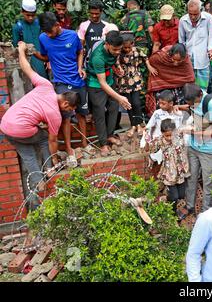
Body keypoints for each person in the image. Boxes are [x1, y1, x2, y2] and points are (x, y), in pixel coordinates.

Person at [0, 42, 78, 201]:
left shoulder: (46, 85)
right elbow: (52, 141)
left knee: (28, 154)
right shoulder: (55, 114)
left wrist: (21, 50)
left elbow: (26, 68)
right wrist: (54, 158)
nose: (69, 112)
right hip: (21, 128)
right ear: (65, 104)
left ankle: (38, 182)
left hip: (6, 125)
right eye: (69, 109)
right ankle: (49, 169)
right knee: (43, 137)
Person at [35, 12, 90, 158]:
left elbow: (80, 51)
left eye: (50, 31)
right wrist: (34, 54)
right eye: (45, 32)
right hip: (61, 82)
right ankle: (68, 147)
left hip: (78, 80)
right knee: (65, 117)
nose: (48, 34)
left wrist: (80, 67)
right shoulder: (43, 38)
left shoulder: (72, 35)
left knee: (81, 114)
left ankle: (84, 143)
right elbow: (46, 56)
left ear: (57, 25)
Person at [86, 30, 132, 157]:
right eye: (115, 50)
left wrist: (118, 67)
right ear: (106, 44)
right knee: (99, 112)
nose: (118, 52)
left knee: (113, 108)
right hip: (96, 84)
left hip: (109, 80)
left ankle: (110, 135)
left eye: (119, 49)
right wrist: (119, 97)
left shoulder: (115, 48)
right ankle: (103, 143)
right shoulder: (98, 58)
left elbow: (114, 59)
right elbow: (102, 83)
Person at [181, 83, 212, 216]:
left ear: (200, 95)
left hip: (208, 150)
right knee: (191, 178)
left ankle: (205, 212)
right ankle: (189, 206)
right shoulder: (192, 98)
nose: (193, 105)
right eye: (190, 104)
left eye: (195, 103)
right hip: (194, 147)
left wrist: (192, 132)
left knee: (208, 182)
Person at [145, 119, 190, 218]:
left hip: (180, 171)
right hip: (169, 173)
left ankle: (165, 198)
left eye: (171, 135)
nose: (169, 138)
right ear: (162, 133)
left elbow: (188, 128)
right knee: (174, 197)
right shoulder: (160, 141)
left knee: (182, 195)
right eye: (167, 136)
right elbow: (151, 149)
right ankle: (172, 213)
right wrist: (147, 139)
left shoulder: (179, 135)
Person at [114, 33, 151, 137]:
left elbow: (146, 58)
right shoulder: (119, 52)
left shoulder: (137, 51)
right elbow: (115, 63)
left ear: (133, 44)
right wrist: (119, 69)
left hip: (135, 80)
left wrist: (149, 67)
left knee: (136, 103)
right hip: (124, 81)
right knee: (128, 104)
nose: (126, 49)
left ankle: (139, 124)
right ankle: (133, 125)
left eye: (128, 47)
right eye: (124, 47)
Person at [146, 43, 195, 118]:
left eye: (179, 61)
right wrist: (149, 66)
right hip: (162, 83)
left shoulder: (186, 60)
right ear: (170, 54)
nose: (176, 63)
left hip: (179, 85)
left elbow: (190, 77)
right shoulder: (162, 56)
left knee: (180, 97)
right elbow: (150, 60)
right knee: (163, 100)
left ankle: (179, 119)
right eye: (173, 59)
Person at [179, 0, 212, 92]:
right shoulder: (183, 20)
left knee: (202, 89)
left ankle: (200, 106)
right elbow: (181, 40)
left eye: (195, 14)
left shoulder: (208, 18)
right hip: (188, 57)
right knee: (189, 87)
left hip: (203, 58)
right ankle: (191, 106)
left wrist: (210, 51)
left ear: (201, 10)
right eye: (190, 14)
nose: (192, 17)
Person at [12, 0, 47, 78]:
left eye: (33, 15)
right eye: (28, 15)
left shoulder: (40, 24)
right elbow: (15, 46)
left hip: (41, 59)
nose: (30, 18)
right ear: (22, 12)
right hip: (27, 61)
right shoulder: (17, 27)